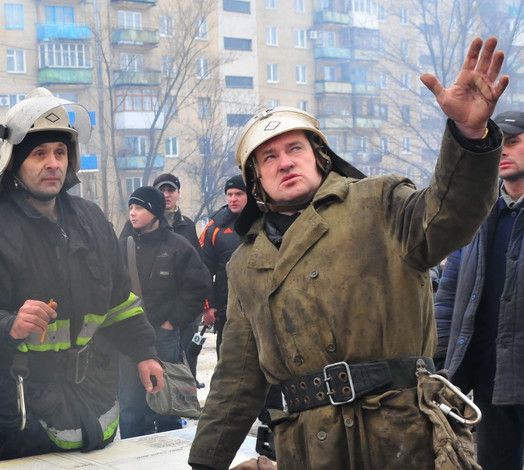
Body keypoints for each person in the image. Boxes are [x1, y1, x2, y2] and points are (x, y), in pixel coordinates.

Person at [189, 37, 507, 469]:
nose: (284, 162)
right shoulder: (245, 262)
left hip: (401, 438)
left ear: (320, 157)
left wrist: (469, 137)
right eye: (268, 158)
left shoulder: (378, 203)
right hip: (307, 449)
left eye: (295, 148)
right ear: (255, 181)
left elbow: (451, 215)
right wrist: (206, 462)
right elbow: (237, 377)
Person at [0, 88, 165, 463]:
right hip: (17, 413)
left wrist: (144, 353)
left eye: (60, 153)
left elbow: (119, 302)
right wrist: (7, 324)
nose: (53, 163)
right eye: (40, 154)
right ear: (15, 163)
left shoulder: (92, 220)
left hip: (91, 400)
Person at [434, 109, 524, 470]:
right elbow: (449, 294)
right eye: (499, 143)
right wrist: (440, 362)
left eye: (513, 142)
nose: (503, 150)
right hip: (491, 383)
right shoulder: (477, 216)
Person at [118, 186, 212, 438]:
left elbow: (200, 284)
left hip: (163, 334)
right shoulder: (122, 245)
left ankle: (168, 452)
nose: (133, 213)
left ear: (155, 211)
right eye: (130, 208)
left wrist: (172, 322)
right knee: (129, 405)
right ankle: (130, 456)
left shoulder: (177, 246)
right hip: (128, 335)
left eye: (139, 208)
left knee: (165, 402)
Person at [198, 174, 247, 356]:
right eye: (229, 194)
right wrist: (208, 306)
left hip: (262, 309)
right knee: (229, 367)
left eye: (239, 194)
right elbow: (201, 269)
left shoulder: (266, 221)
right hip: (227, 310)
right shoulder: (214, 228)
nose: (233, 199)